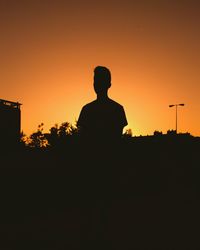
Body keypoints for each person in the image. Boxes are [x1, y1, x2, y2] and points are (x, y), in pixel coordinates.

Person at [77, 66, 128, 142]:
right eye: (96, 80)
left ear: (109, 84)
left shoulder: (117, 109)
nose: (97, 84)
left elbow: (117, 139)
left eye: (101, 80)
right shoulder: (87, 109)